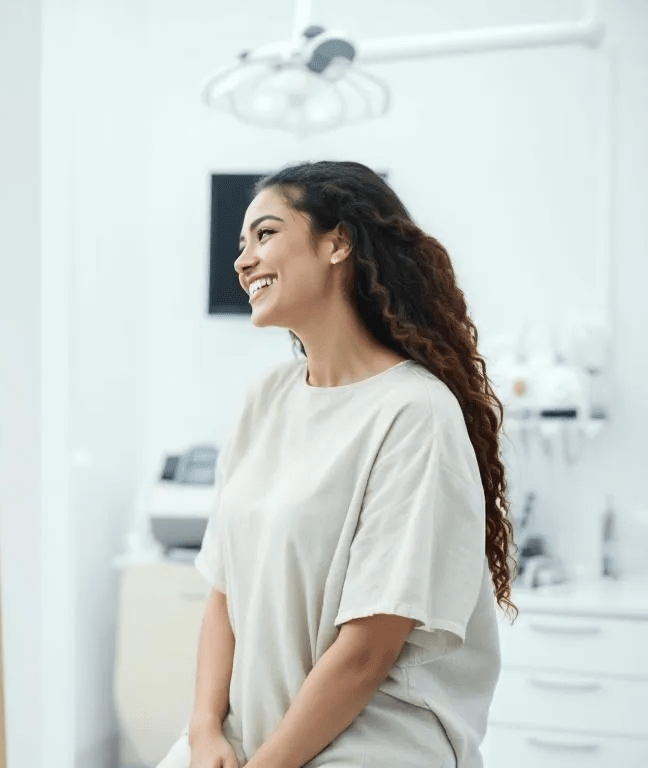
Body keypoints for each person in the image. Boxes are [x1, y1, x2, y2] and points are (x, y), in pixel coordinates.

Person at [158, 161, 513, 768]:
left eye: (265, 234)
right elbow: (222, 592)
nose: (243, 261)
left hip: (374, 739)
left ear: (338, 243)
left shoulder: (414, 412)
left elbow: (367, 652)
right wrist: (202, 732)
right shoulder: (265, 399)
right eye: (242, 244)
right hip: (253, 733)